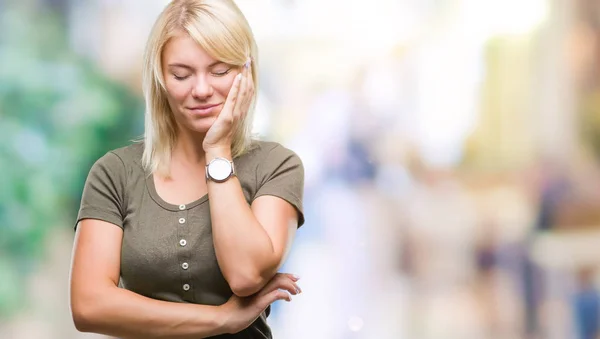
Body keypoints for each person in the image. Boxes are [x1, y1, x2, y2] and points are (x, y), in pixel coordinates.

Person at [68, 0, 305, 338]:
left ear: (246, 72)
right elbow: (88, 306)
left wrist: (218, 151)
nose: (202, 90)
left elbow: (246, 274)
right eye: (181, 74)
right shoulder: (114, 173)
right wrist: (221, 319)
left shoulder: (276, 165)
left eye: (220, 71)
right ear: (160, 79)